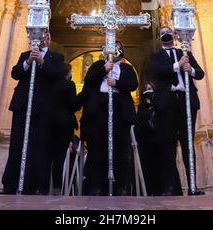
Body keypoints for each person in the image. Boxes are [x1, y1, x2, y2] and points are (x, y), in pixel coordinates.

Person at [1, 33, 64, 194]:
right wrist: (28, 62)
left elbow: (58, 76)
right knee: (17, 144)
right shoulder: (25, 55)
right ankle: (11, 185)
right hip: (22, 105)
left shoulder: (56, 57)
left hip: (43, 108)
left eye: (44, 36)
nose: (41, 39)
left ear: (49, 39)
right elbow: (15, 73)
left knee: (40, 146)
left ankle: (35, 186)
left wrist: (42, 62)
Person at [150, 26, 205, 196]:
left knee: (188, 143)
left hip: (186, 100)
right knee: (168, 145)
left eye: (168, 32)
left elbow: (200, 73)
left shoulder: (185, 52)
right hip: (167, 103)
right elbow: (158, 72)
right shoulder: (156, 56)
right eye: (162, 33)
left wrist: (191, 70)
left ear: (173, 35)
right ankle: (171, 187)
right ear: (160, 37)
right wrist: (177, 65)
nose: (166, 34)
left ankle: (193, 186)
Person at [78, 41, 138, 196]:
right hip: (98, 110)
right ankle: (96, 185)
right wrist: (104, 70)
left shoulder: (127, 68)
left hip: (120, 111)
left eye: (119, 47)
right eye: (112, 46)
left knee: (121, 149)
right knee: (97, 148)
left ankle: (120, 186)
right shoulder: (98, 65)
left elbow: (133, 84)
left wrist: (116, 83)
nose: (115, 50)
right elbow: (89, 80)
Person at [50, 63, 78, 194]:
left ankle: (44, 187)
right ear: (67, 73)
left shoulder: (52, 85)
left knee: (48, 156)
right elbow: (74, 104)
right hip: (65, 123)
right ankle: (56, 187)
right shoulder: (69, 85)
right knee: (60, 156)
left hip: (51, 122)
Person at [135, 81, 163, 195]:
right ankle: (148, 190)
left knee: (159, 166)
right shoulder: (141, 106)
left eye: (150, 88)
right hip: (145, 141)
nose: (148, 90)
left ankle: (159, 190)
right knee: (147, 166)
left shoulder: (158, 104)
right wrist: (147, 123)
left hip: (158, 139)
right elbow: (138, 123)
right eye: (146, 88)